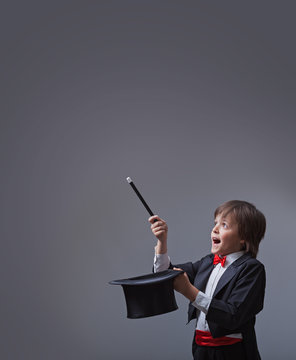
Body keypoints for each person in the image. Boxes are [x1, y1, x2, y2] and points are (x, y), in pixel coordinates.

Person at [149, 200, 266, 360]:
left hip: (233, 352)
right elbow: (165, 276)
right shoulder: (208, 262)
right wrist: (162, 242)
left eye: (224, 225)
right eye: (215, 223)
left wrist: (189, 291)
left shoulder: (252, 269)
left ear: (243, 238)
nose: (215, 229)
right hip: (200, 349)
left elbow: (233, 316)